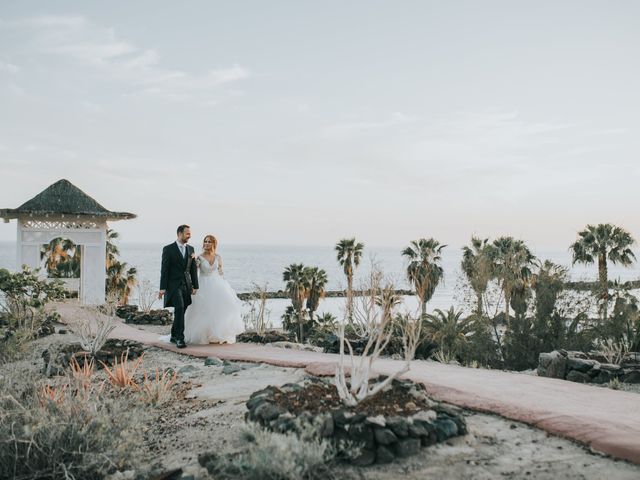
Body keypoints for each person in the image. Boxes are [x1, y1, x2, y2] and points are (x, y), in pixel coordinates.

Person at [184, 234, 244, 344]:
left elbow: (221, 272)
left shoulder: (218, 257)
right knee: (204, 310)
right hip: (203, 285)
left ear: (214, 244)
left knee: (219, 309)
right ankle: (203, 336)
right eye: (205, 241)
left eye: (209, 242)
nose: (206, 243)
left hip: (217, 284)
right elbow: (193, 272)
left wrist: (224, 284)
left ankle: (217, 335)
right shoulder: (199, 257)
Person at [159, 224, 199, 348]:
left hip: (186, 285)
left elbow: (192, 269)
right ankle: (180, 339)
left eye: (190, 233)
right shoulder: (168, 249)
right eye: (187, 233)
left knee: (182, 309)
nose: (189, 235)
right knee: (180, 307)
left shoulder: (191, 249)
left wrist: (195, 285)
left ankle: (173, 335)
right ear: (179, 234)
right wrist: (162, 288)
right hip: (173, 285)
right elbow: (164, 270)